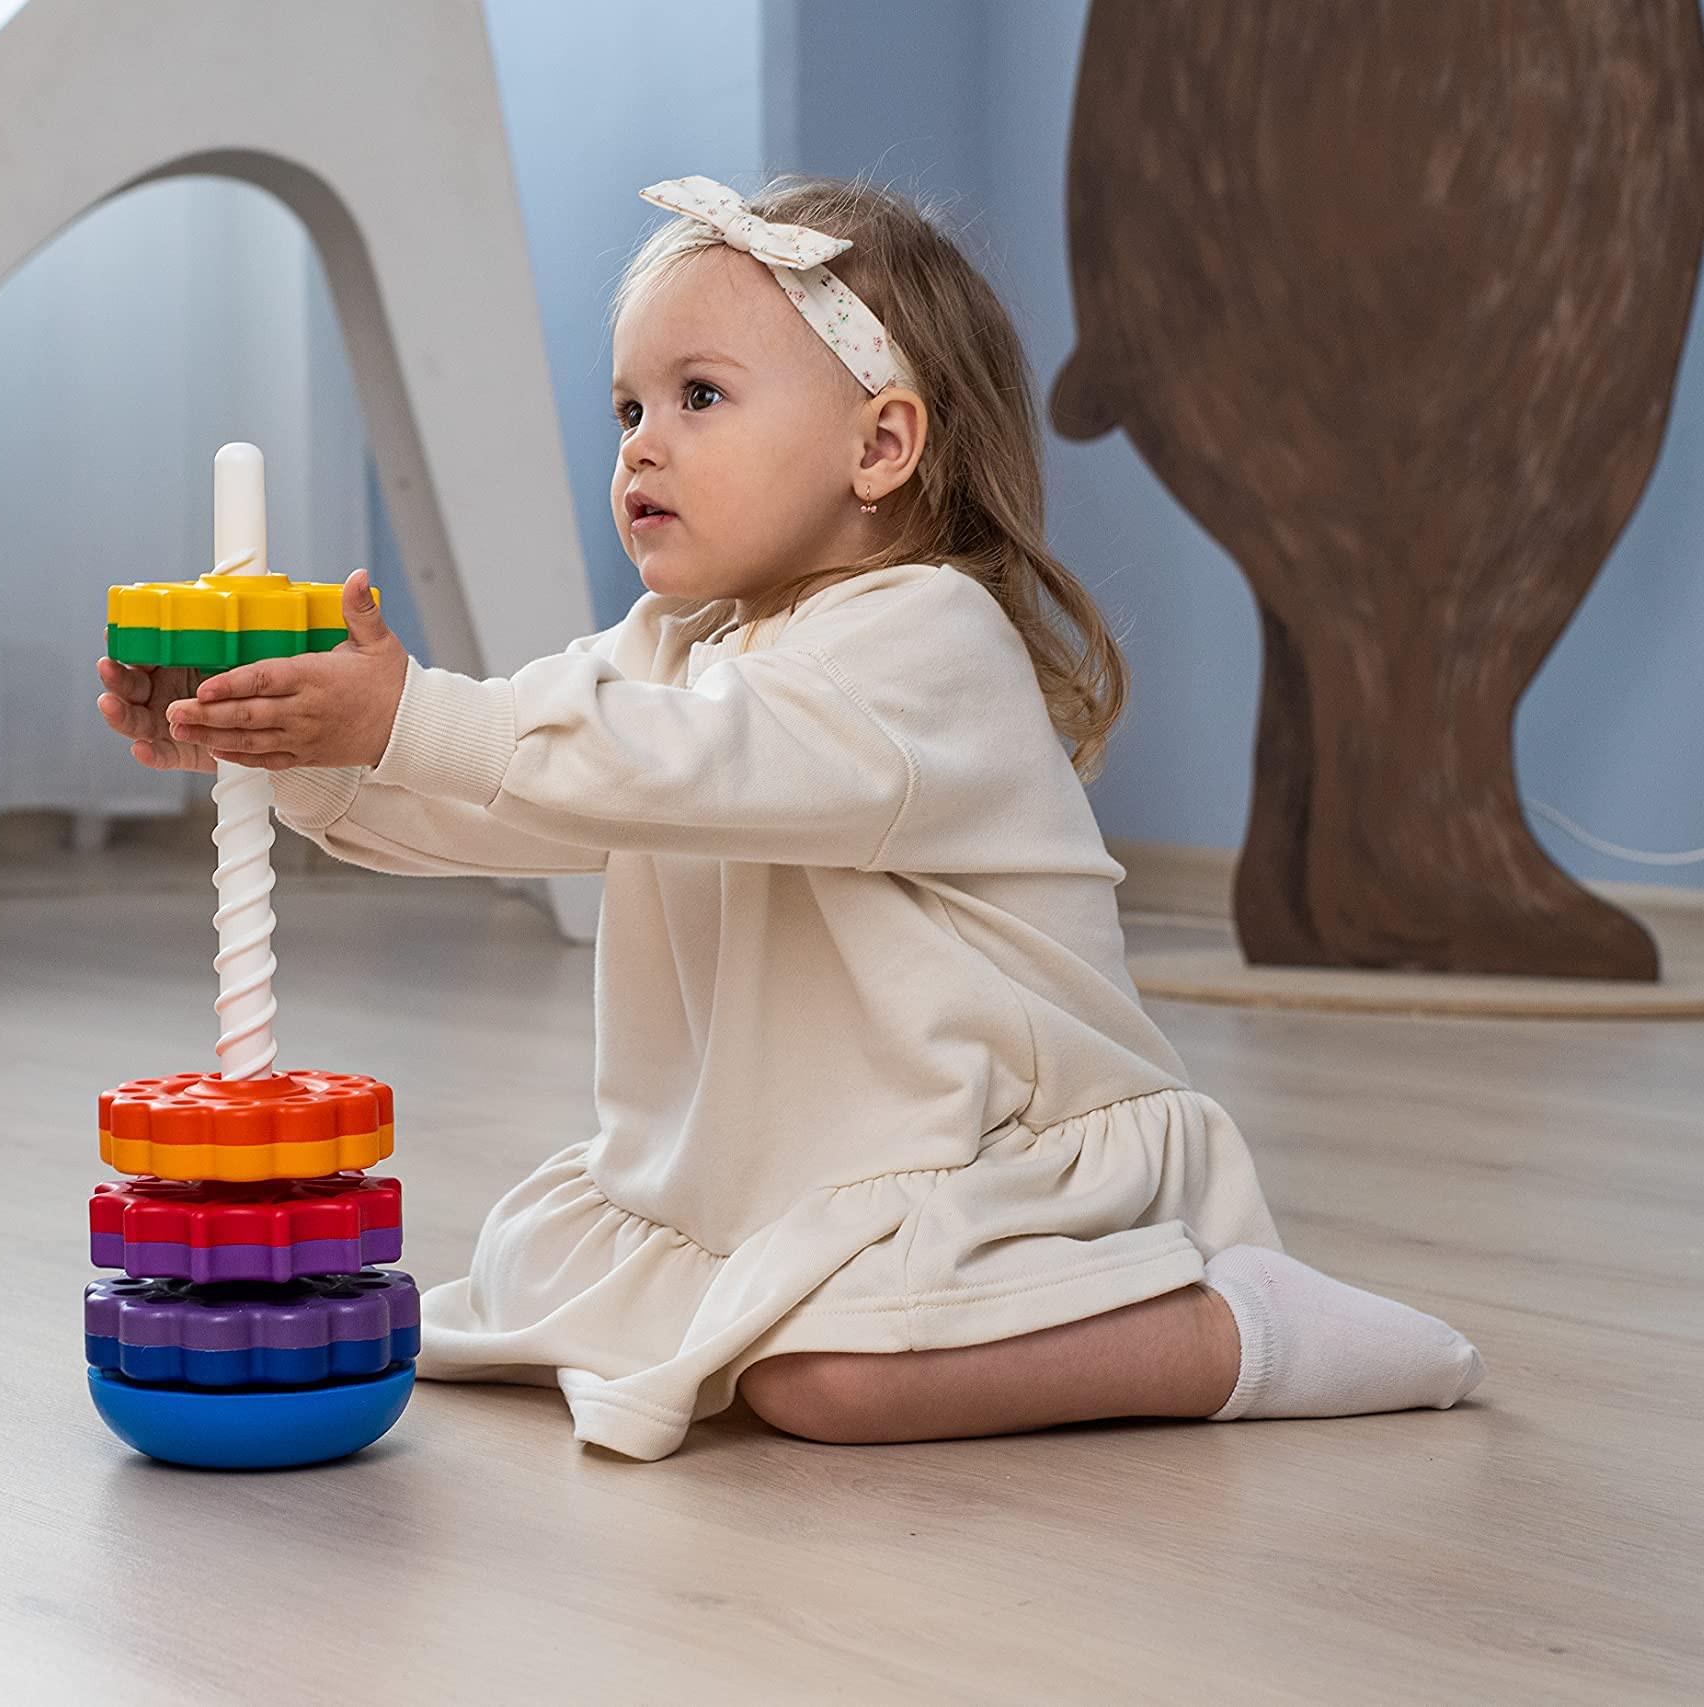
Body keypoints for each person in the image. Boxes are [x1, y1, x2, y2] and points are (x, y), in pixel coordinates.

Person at [94, 173, 1484, 1462]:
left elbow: (694, 766)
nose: (643, 447)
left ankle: (1237, 1325)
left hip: (989, 1160)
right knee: (537, 1288)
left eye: (701, 396)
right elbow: (522, 799)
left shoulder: (928, 639)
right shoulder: (675, 647)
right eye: (629, 408)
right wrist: (298, 754)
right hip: (776, 1167)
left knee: (830, 1387)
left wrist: (406, 712)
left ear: (882, 444)